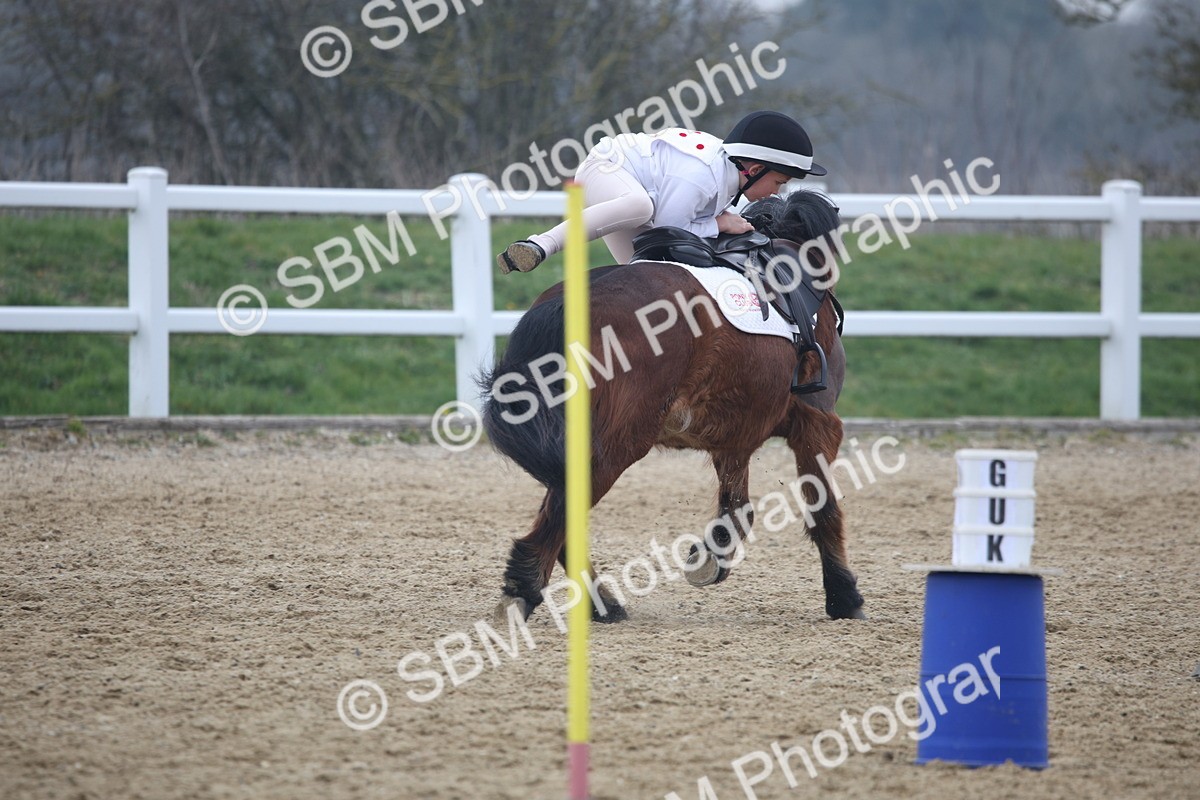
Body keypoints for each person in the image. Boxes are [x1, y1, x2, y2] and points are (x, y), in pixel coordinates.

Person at [496, 110, 827, 273]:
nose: (776, 194)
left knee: (650, 277)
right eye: (779, 184)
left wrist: (721, 221)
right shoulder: (702, 177)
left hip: (641, 199)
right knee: (641, 207)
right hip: (607, 170)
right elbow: (669, 231)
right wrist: (720, 225)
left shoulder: (728, 180)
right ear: (755, 171)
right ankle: (540, 245)